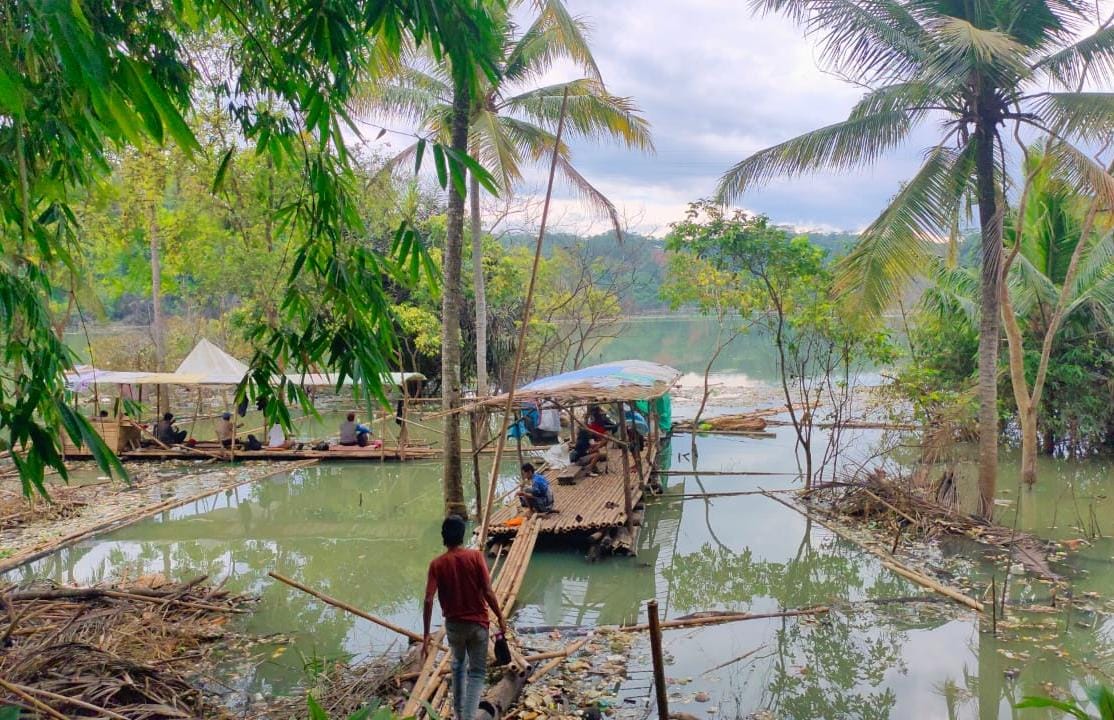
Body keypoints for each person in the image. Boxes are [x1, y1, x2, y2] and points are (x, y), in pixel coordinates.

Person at [423, 516, 507, 720]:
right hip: (478, 624)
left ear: (444, 536)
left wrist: (426, 634)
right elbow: (487, 591)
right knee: (477, 673)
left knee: (458, 667)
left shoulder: (437, 564)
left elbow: (428, 600)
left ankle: (459, 715)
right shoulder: (476, 557)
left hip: (454, 626)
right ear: (462, 535)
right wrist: (500, 616)